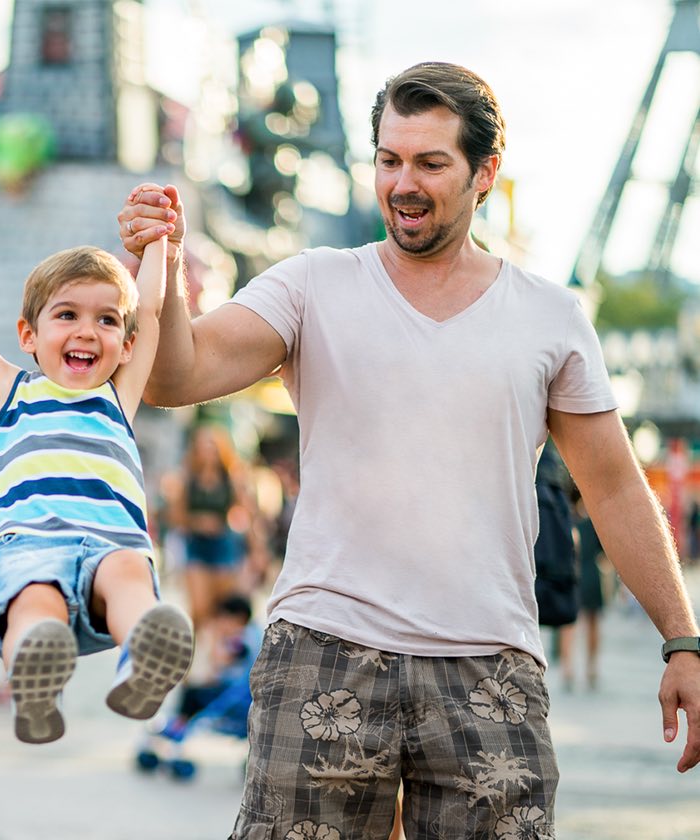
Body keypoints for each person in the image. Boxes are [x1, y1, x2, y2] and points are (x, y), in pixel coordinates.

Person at [119, 62, 700, 836]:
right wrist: (155, 270)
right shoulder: (312, 285)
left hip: (490, 665)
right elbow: (175, 377)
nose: (403, 183)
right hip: (326, 649)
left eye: (430, 163)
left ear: (484, 172)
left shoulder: (551, 317)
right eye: (390, 160)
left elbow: (618, 490)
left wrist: (683, 641)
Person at [0, 223, 195, 744]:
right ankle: (34, 685)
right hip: (22, 542)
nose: (87, 331)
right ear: (28, 335)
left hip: (108, 541)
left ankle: (145, 656)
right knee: (35, 600)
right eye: (67, 314)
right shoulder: (9, 389)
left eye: (106, 320)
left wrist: (160, 240)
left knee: (128, 573)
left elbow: (149, 310)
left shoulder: (120, 398)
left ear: (126, 345)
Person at [134, 593, 260, 778]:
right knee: (194, 691)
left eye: (225, 619)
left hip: (235, 696)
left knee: (194, 694)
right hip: (233, 692)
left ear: (238, 619)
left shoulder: (243, 638)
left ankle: (179, 727)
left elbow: (224, 660)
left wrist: (216, 639)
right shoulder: (252, 634)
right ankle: (176, 725)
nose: (221, 623)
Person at [163, 424, 265, 637]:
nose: (208, 451)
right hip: (196, 546)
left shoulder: (231, 479)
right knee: (199, 609)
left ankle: (217, 663)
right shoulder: (187, 479)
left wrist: (257, 550)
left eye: (212, 446)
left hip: (223, 545)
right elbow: (175, 517)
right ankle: (190, 661)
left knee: (222, 609)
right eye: (203, 446)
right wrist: (197, 522)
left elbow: (249, 512)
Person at [560, 487, 608, 691]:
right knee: (593, 623)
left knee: (569, 624)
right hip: (592, 575)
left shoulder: (566, 521)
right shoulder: (594, 524)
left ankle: (568, 668)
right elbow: (605, 554)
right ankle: (591, 667)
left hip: (572, 576)